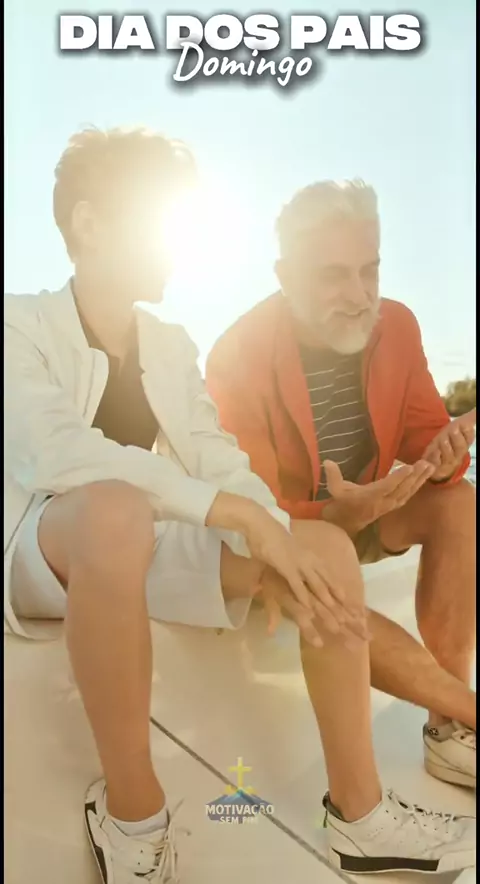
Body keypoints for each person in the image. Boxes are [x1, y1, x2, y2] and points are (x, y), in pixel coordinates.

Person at [4, 140, 474, 884]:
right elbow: (54, 453)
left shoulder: (168, 343)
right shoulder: (17, 324)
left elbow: (215, 455)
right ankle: (134, 819)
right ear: (89, 224)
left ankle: (361, 818)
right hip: (34, 548)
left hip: (140, 542)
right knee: (115, 512)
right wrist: (239, 515)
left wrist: (274, 534)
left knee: (317, 548)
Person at [206, 178, 477, 797]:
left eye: (369, 270)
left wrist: (444, 458)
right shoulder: (237, 355)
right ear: (286, 276)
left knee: (460, 503)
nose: (360, 295)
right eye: (333, 275)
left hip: (365, 511)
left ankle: (449, 734)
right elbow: (255, 513)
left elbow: (428, 438)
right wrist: (339, 516)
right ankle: (467, 708)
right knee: (323, 549)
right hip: (285, 534)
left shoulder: (396, 326)